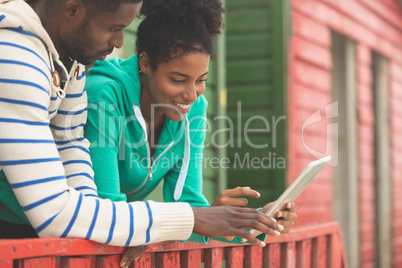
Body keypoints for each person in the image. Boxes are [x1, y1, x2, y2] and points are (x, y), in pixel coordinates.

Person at [0, 0, 286, 250]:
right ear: (72, 7)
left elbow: (72, 152)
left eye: (201, 80)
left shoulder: (71, 67)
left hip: (48, 228)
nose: (120, 42)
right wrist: (190, 219)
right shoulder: (17, 59)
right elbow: (63, 212)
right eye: (114, 27)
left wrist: (250, 221)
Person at [84, 0, 297, 260]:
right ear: (146, 62)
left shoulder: (193, 111)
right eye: (177, 79)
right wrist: (158, 227)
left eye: (201, 80)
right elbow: (107, 208)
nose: (191, 94)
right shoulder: (105, 95)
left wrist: (255, 222)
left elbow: (186, 205)